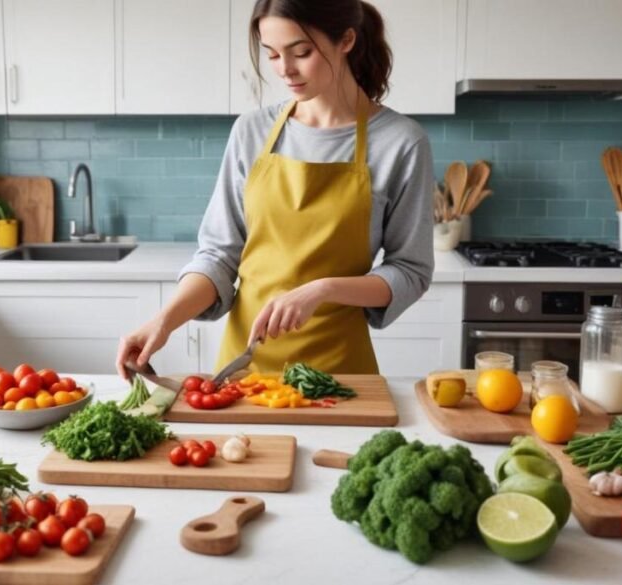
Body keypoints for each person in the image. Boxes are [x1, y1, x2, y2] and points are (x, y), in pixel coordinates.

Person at [116, 0, 434, 378]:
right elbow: (218, 256)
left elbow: (410, 270)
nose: (285, 70)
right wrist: (165, 321)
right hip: (245, 368)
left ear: (346, 39)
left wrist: (321, 289)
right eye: (272, 55)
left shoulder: (400, 142)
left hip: (339, 375)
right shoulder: (252, 131)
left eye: (301, 52)